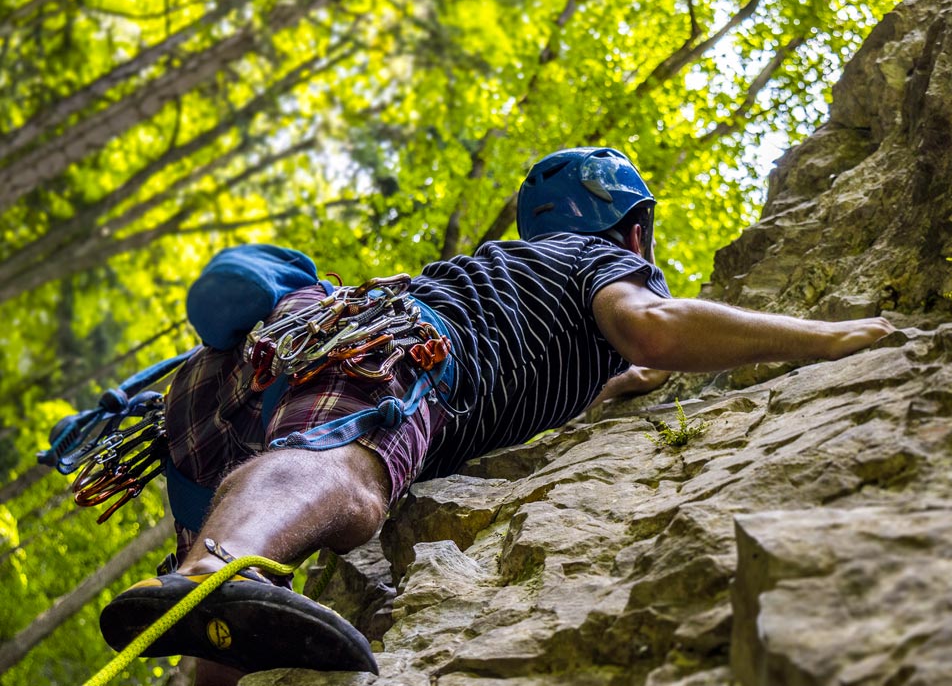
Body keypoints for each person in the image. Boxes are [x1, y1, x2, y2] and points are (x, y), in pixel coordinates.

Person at [99, 147, 894, 683]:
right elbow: (653, 327)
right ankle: (211, 571)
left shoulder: (518, 282)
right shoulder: (601, 262)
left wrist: (622, 383)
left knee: (241, 584)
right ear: (635, 230)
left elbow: (605, 372)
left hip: (220, 395)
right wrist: (830, 337)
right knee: (351, 471)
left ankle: (206, 615)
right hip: (395, 348)